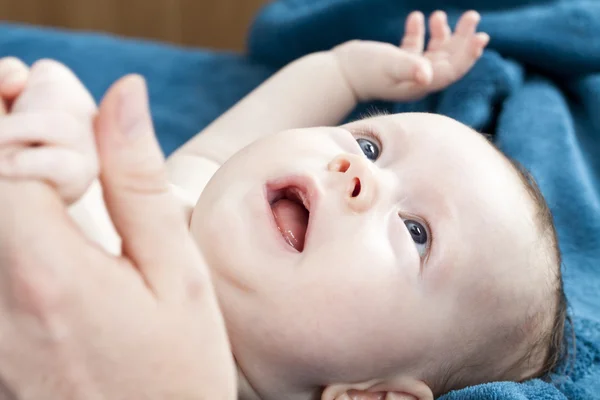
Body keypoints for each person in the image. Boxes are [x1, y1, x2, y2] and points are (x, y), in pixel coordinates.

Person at [0, 10, 567, 400]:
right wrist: (343, 71)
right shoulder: (192, 198)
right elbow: (257, 125)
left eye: (417, 231)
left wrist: (66, 183)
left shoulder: (188, 378)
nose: (357, 171)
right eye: (370, 145)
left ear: (373, 395)